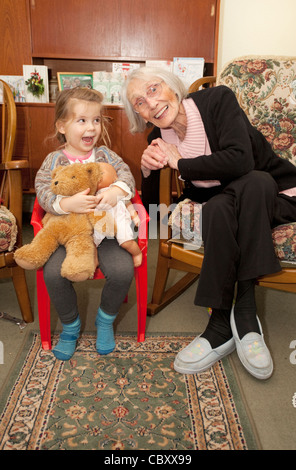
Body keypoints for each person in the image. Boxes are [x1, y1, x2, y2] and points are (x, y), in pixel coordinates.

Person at [122, 66, 296, 380]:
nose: (151, 103)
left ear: (172, 86)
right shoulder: (157, 137)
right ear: (141, 115)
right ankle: (230, 323)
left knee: (255, 183)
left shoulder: (217, 99)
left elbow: (241, 160)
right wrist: (147, 172)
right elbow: (154, 209)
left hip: (278, 192)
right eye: (139, 102)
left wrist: (179, 163)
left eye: (153, 89)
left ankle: (233, 319)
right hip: (227, 205)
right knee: (217, 208)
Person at [35, 87, 136, 361]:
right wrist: (65, 204)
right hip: (67, 233)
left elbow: (127, 177)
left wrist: (117, 191)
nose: (91, 127)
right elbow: (43, 190)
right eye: (81, 120)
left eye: (96, 120)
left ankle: (105, 320)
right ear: (62, 126)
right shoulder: (53, 160)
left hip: (105, 229)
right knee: (53, 274)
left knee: (123, 270)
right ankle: (71, 325)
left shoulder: (105, 156)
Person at [93, 161, 143, 267]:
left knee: (126, 242)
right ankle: (94, 259)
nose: (97, 175)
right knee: (91, 242)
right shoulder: (94, 194)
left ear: (115, 178)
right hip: (102, 222)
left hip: (120, 220)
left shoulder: (117, 190)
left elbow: (127, 203)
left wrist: (134, 215)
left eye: (101, 173)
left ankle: (137, 253)